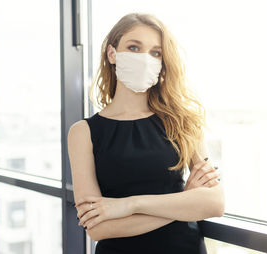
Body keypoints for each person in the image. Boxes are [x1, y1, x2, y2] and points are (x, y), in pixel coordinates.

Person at [67, 12, 225, 254]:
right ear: (112, 54)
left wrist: (129, 205)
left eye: (155, 52)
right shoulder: (83, 133)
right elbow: (97, 229)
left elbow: (214, 203)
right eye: (134, 47)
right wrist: (184, 200)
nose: (145, 58)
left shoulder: (183, 121)